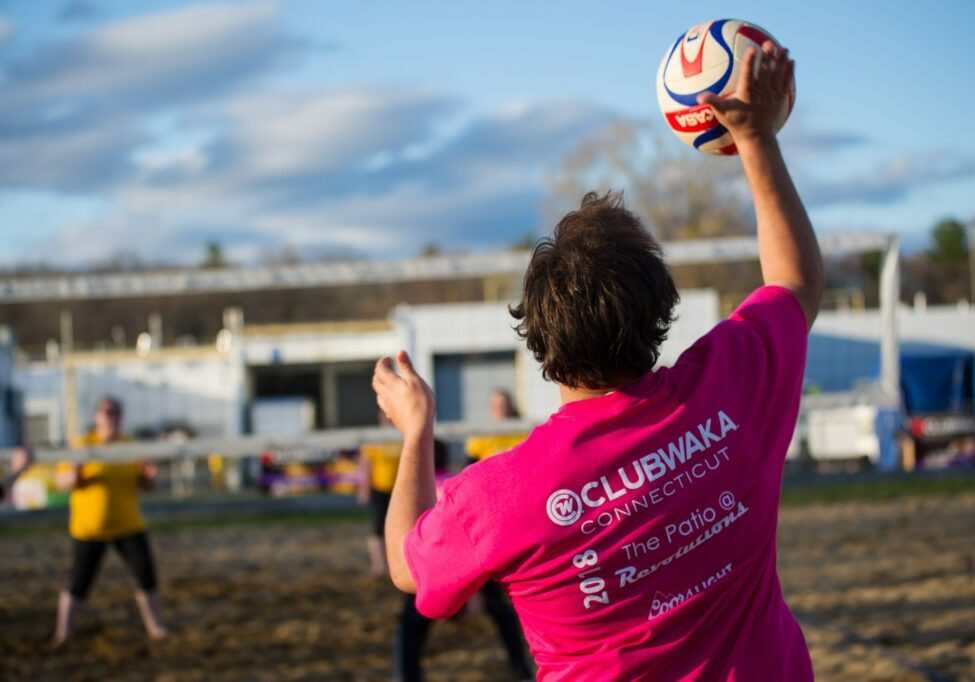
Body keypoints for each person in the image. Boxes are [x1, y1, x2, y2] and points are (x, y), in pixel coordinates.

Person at [374, 42, 821, 681]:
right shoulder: (729, 386)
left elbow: (405, 565)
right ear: (659, 312)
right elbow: (795, 284)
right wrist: (756, 138)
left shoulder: (500, 495)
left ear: (540, 342)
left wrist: (418, 431)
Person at [53, 396, 167, 647]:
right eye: (106, 411)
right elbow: (62, 483)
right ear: (96, 416)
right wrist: (76, 472)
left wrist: (150, 476)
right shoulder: (82, 445)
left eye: (115, 412)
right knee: (78, 582)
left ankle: (155, 627)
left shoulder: (130, 447)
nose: (110, 416)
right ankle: (63, 634)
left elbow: (148, 486)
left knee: (146, 575)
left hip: (128, 525)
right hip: (89, 529)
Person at [357, 413, 403, 578]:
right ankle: (378, 565)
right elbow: (365, 466)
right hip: (379, 488)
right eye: (385, 417)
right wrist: (364, 489)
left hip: (398, 490)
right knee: (378, 527)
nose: (388, 420)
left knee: (399, 528)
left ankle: (397, 565)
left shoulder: (401, 437)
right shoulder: (374, 439)